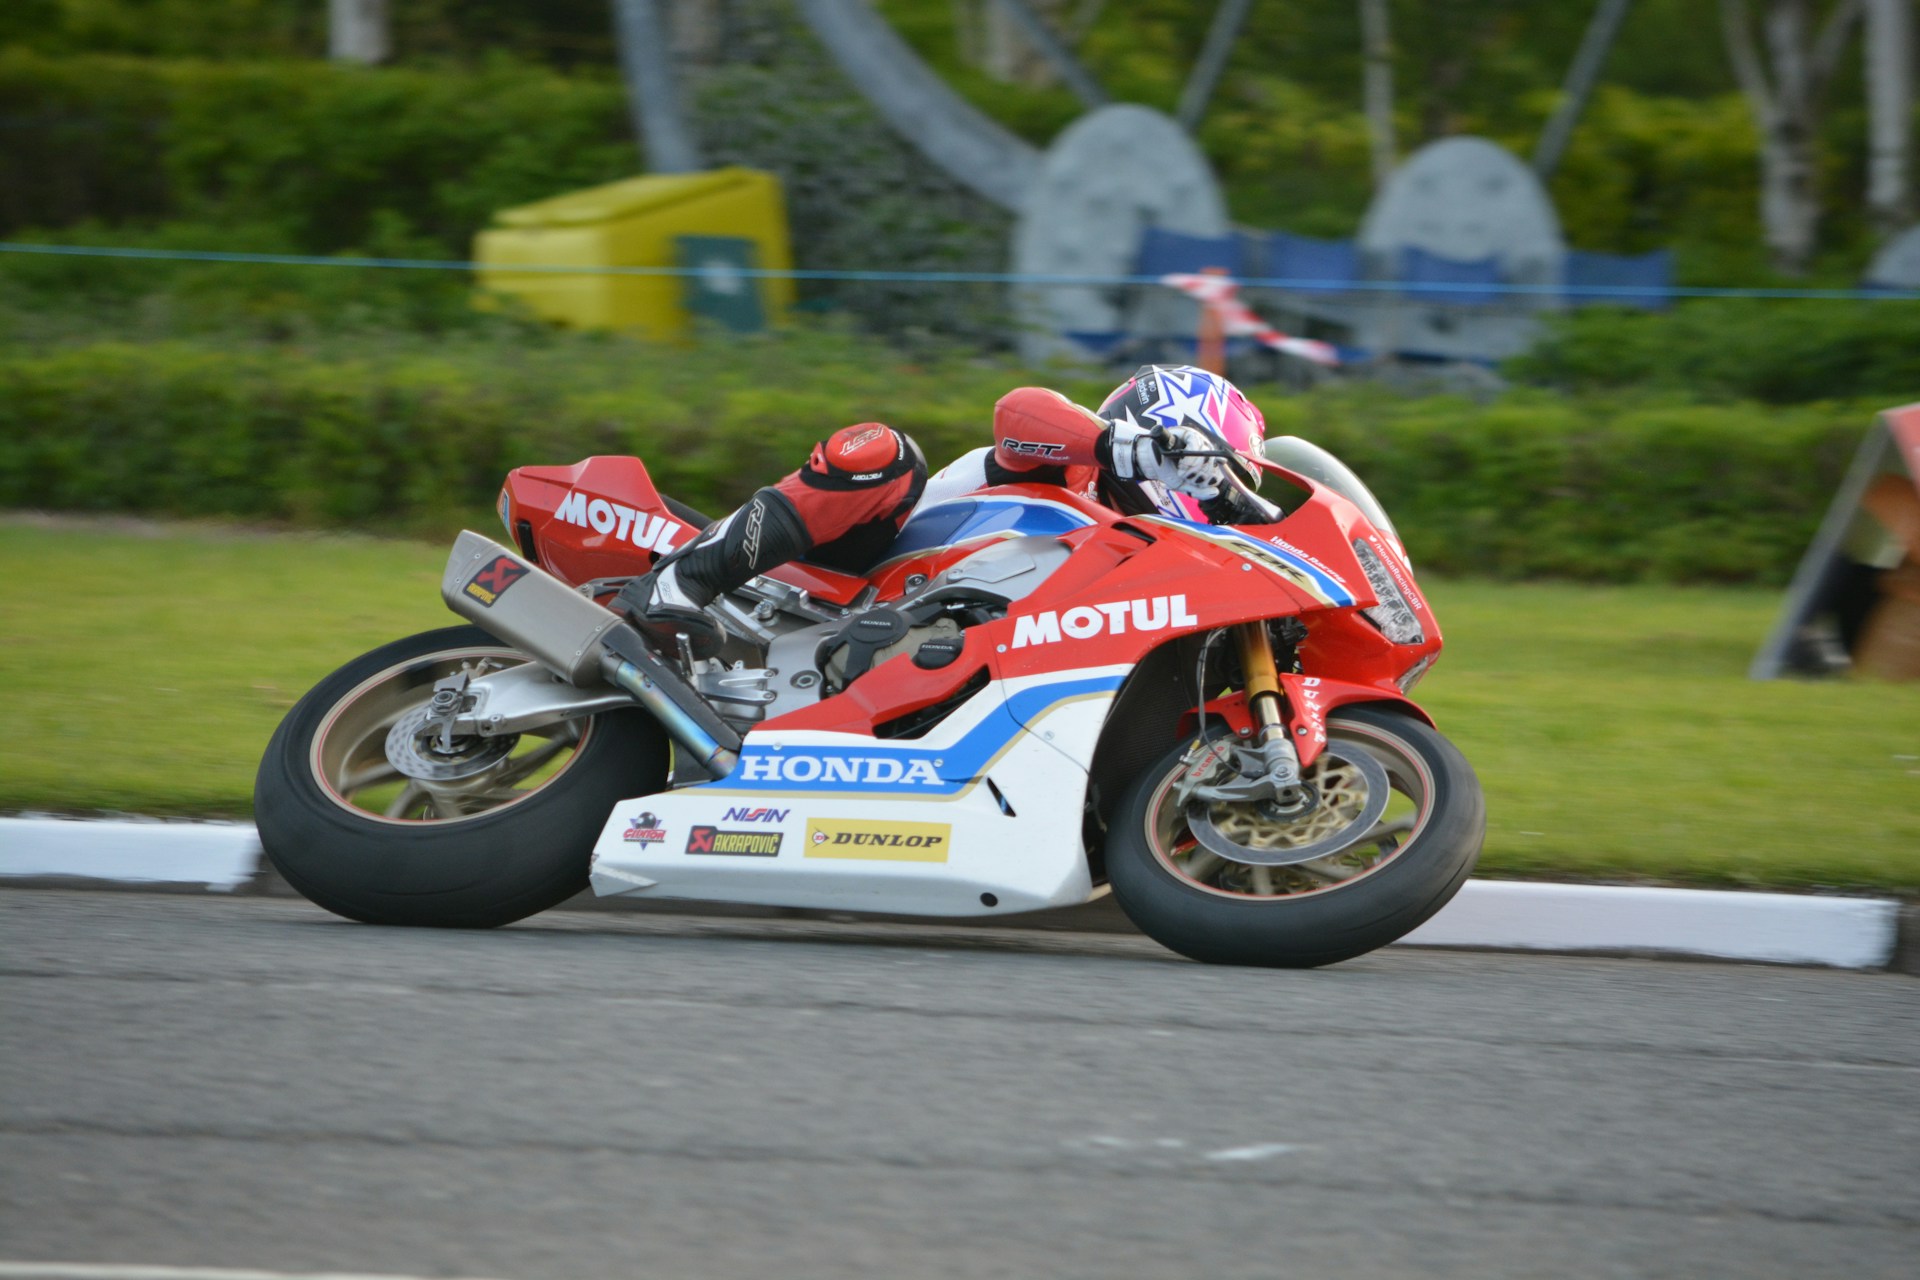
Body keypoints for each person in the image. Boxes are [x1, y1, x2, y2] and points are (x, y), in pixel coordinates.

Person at [617, 364, 1270, 658]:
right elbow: (1017, 407)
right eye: (1215, 464)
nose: (1212, 484)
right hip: (851, 577)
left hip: (930, 650)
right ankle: (679, 580)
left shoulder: (1149, 558)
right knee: (882, 452)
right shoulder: (1075, 467)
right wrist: (1132, 449)